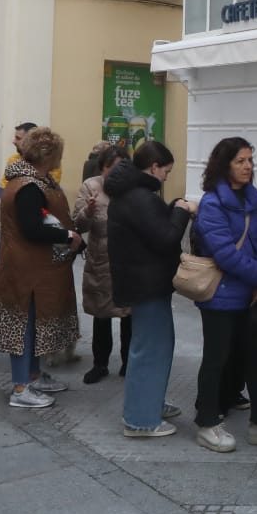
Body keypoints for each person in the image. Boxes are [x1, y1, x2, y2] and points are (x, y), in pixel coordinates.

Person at [189, 136, 257, 453]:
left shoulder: (248, 200)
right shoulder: (212, 204)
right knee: (216, 358)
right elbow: (226, 255)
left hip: (250, 297)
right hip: (220, 296)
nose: (248, 166)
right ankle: (206, 423)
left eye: (250, 160)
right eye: (240, 161)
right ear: (224, 165)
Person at [0, 127, 79, 409]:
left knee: (34, 323)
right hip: (27, 269)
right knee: (23, 326)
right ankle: (21, 387)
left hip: (35, 267)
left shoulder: (32, 179)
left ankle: (33, 376)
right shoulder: (28, 185)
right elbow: (32, 228)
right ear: (49, 155)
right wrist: (67, 236)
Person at [106, 139, 197, 435]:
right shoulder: (140, 197)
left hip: (142, 281)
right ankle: (141, 419)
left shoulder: (132, 194)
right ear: (154, 167)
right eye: (166, 171)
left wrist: (171, 207)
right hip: (147, 284)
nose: (167, 177)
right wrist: (181, 211)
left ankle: (149, 402)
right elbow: (166, 237)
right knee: (151, 349)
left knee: (153, 345)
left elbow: (153, 226)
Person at [75, 145, 128, 384]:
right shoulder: (90, 187)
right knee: (102, 314)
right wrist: (87, 211)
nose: (113, 172)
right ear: (102, 168)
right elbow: (79, 225)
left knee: (130, 315)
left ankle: (129, 362)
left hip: (128, 261)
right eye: (109, 167)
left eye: (119, 167)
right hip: (101, 259)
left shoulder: (135, 187)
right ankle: (100, 364)